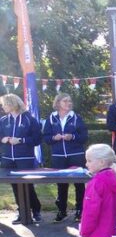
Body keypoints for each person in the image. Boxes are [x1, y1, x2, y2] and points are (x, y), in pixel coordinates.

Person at [42, 93, 88, 223]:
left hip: (76, 156)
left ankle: (80, 210)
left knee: (79, 184)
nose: (68, 103)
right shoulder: (51, 118)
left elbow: (84, 137)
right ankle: (62, 210)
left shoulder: (76, 117)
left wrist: (72, 137)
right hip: (58, 157)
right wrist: (53, 138)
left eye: (69, 101)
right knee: (61, 184)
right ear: (58, 103)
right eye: (65, 101)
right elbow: (46, 137)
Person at [0, 93, 42, 224]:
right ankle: (22, 212)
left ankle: (36, 210)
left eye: (4, 104)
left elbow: (37, 139)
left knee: (27, 185)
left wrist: (21, 140)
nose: (2, 107)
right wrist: (4, 139)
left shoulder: (29, 119)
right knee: (15, 186)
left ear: (13, 104)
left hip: (25, 158)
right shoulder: (3, 120)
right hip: (8, 159)